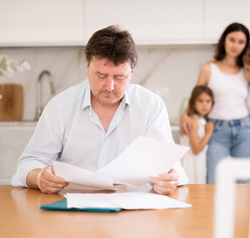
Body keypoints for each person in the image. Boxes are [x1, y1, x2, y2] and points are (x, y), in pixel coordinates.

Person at [11, 25, 188, 195]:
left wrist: (170, 179)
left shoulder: (151, 106)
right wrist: (39, 177)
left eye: (119, 77)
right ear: (87, 68)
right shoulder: (60, 108)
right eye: (101, 76)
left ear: (131, 72)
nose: (110, 87)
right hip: (73, 210)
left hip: (132, 213)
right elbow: (29, 163)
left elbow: (171, 168)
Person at [180, 22, 250, 184]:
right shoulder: (209, 68)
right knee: (215, 182)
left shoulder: (247, 70)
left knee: (244, 185)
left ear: (246, 45)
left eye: (241, 42)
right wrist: (185, 115)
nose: (235, 45)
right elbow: (195, 97)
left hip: (245, 132)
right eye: (232, 39)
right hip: (216, 131)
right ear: (224, 41)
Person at [179, 86, 214, 184]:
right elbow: (196, 149)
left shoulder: (201, 120)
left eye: (208, 101)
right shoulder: (193, 121)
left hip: (198, 162)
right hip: (191, 163)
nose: (204, 105)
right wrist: (208, 133)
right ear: (193, 103)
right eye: (200, 101)